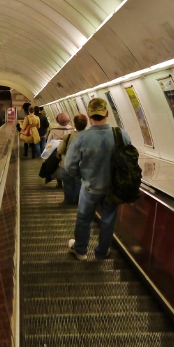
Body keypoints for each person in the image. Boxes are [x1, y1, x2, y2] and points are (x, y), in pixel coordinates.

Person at [65, 98, 130, 261]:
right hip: (112, 188)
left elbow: (69, 166)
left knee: (84, 219)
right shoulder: (121, 134)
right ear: (107, 113)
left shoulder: (82, 137)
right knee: (108, 220)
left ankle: (80, 250)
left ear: (89, 115)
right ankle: (101, 252)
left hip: (89, 188)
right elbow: (128, 159)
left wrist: (82, 176)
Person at [57, 114, 87, 204]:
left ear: (74, 125)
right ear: (86, 124)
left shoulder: (68, 136)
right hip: (81, 165)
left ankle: (68, 200)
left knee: (67, 183)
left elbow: (60, 150)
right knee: (78, 183)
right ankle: (77, 201)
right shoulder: (89, 137)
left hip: (67, 164)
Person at [45, 113, 75, 188]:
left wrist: (47, 155)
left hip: (57, 153)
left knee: (57, 167)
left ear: (57, 121)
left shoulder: (53, 131)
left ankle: (59, 183)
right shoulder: (73, 130)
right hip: (70, 153)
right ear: (69, 120)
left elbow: (49, 144)